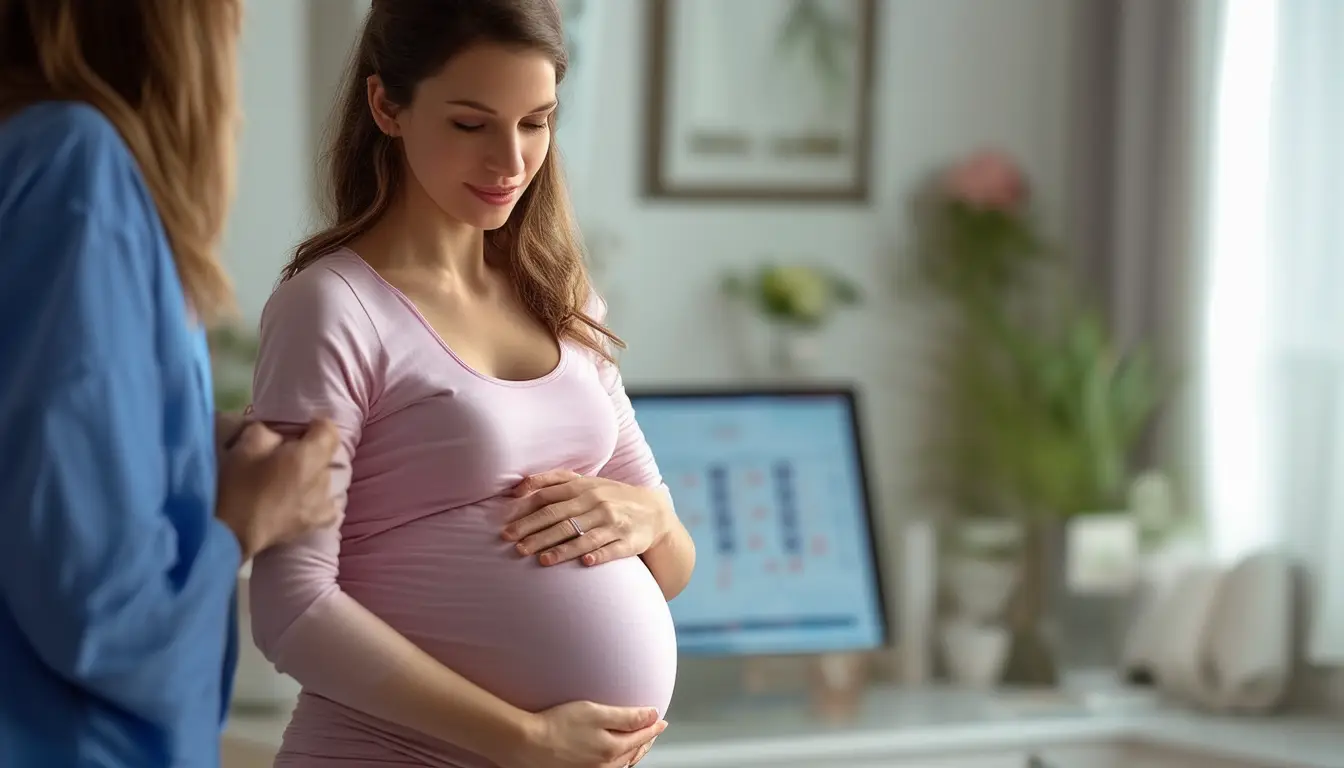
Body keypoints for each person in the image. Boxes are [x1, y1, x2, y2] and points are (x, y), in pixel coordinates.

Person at [244, 0, 698, 766]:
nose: (511, 162)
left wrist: (651, 517)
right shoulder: (332, 308)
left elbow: (674, 567)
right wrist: (527, 739)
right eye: (470, 123)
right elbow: (292, 609)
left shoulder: (558, 298)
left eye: (536, 122)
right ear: (388, 105)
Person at [0, 2, 342, 766]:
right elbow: (102, 611)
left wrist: (183, 449)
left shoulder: (30, 156)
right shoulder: (75, 167)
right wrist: (250, 516)